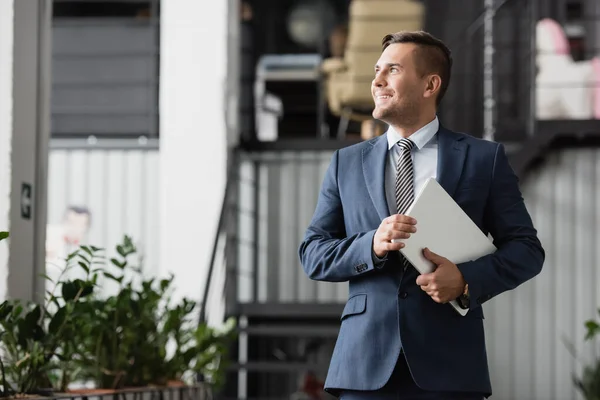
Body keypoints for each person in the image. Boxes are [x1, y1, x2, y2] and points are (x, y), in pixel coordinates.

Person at [298, 30, 545, 400]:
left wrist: (464, 280)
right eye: (377, 71)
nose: (377, 80)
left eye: (392, 70)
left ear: (430, 84)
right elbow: (313, 253)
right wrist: (371, 245)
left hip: (450, 366)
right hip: (364, 364)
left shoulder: (483, 159)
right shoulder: (345, 163)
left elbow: (527, 250)